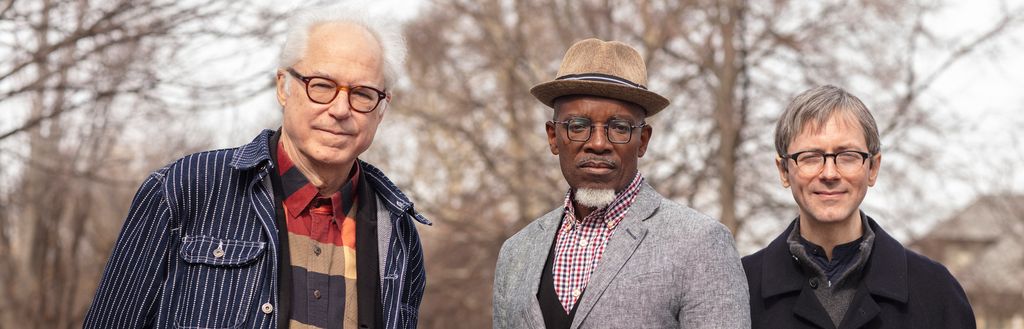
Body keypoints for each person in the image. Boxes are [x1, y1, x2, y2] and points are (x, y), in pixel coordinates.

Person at [84, 4, 430, 329]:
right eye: (321, 86)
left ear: (383, 108)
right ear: (284, 87)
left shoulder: (398, 234)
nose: (341, 109)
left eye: (362, 94)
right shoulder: (184, 189)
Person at [492, 38, 750, 329]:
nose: (598, 143)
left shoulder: (701, 244)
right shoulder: (516, 252)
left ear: (643, 140)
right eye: (578, 126)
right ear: (553, 137)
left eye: (619, 127)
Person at [742, 85, 975, 328]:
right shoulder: (740, 286)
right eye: (810, 157)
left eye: (848, 156)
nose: (829, 174)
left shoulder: (935, 291)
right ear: (784, 171)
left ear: (873, 168)